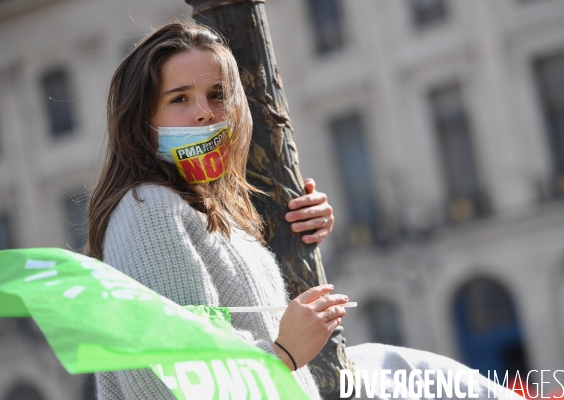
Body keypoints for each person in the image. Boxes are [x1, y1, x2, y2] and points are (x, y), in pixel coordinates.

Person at [88, 21, 521, 400]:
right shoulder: (148, 209)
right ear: (142, 119)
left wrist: (297, 226)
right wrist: (283, 355)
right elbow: (166, 382)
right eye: (180, 98)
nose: (205, 113)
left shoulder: (200, 206)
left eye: (217, 94)